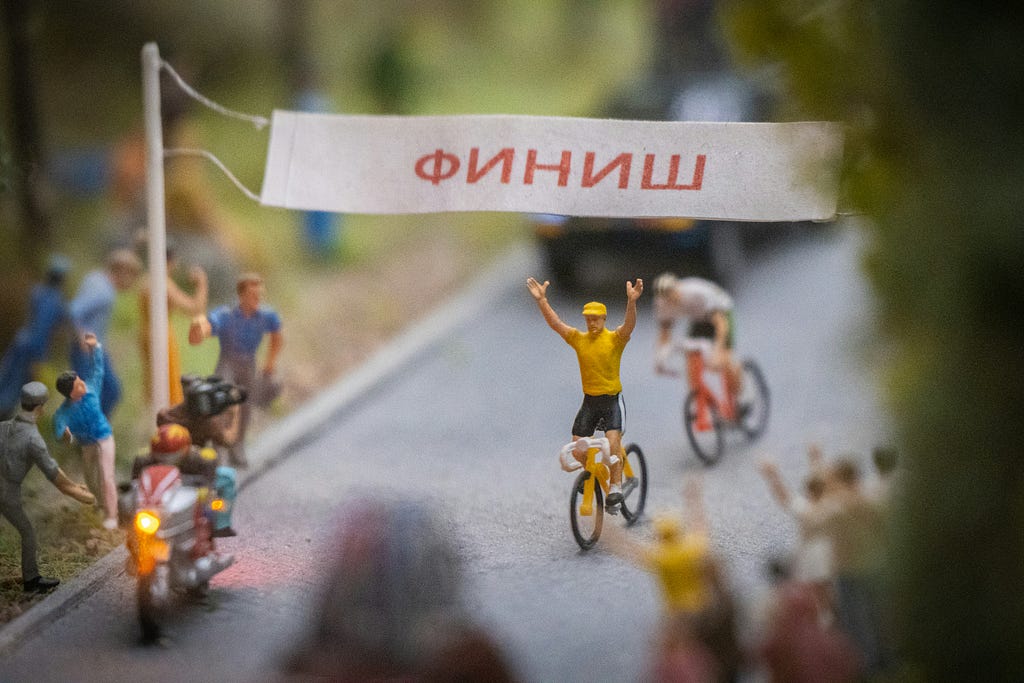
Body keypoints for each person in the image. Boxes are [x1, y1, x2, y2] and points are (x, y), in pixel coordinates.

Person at [526, 276, 642, 511]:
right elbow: (557, 324)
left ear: (604, 319)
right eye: (588, 319)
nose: (591, 323)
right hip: (589, 402)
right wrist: (542, 301)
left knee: (612, 444)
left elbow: (629, 326)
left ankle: (616, 486)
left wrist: (631, 302)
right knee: (577, 448)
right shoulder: (580, 340)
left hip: (611, 401)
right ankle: (592, 473)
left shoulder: (614, 339)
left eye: (595, 319)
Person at [1, 382, 95, 593]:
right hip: (8, 493)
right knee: (27, 532)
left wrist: (73, 484)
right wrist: (82, 495)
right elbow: (55, 476)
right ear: (40, 408)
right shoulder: (33, 439)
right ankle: (31, 580)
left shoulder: (5, 427)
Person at [189, 272, 283, 467]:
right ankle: (219, 447)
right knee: (223, 402)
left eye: (259, 295)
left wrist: (270, 363)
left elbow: (277, 336)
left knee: (246, 405)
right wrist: (201, 327)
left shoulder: (265, 316)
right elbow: (206, 328)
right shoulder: (227, 315)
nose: (257, 299)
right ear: (241, 295)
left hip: (249, 363)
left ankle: (238, 445)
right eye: (252, 295)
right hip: (228, 361)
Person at [53, 334, 118, 530]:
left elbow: (98, 369)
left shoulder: (92, 390)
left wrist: (96, 347)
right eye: (78, 385)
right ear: (70, 393)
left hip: (104, 438)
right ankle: (100, 501)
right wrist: (65, 434)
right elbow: (58, 427)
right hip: (87, 444)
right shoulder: (64, 411)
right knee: (91, 477)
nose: (83, 384)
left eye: (81, 381)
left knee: (107, 476)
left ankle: (112, 515)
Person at [652, 272, 743, 411]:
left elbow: (721, 325)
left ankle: (742, 398)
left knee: (722, 359)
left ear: (678, 289)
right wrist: (660, 358)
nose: (671, 300)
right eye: (667, 298)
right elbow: (665, 333)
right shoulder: (662, 303)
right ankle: (710, 404)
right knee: (692, 358)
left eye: (672, 295)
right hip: (698, 319)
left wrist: (718, 351)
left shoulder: (696, 294)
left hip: (720, 314)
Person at [68, 248, 143, 417]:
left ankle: (91, 431)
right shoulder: (104, 293)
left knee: (108, 390)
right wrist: (81, 337)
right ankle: (89, 433)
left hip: (96, 349)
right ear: (122, 272)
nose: (132, 283)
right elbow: (74, 311)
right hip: (86, 351)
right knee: (100, 393)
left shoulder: (96, 278)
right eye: (132, 276)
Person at [130, 423, 237, 538]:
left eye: (172, 457)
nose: (166, 461)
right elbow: (135, 485)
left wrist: (205, 492)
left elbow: (208, 484)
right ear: (153, 452)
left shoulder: (203, 459)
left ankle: (221, 525)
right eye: (160, 457)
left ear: (185, 449)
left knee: (227, 477)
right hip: (159, 496)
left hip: (191, 487)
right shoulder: (143, 460)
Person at [0, 255, 72, 417]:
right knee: (13, 389)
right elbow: (41, 329)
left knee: (4, 379)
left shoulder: (37, 291)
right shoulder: (54, 301)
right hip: (31, 349)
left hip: (20, 340)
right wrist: (37, 359)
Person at [138, 241, 208, 406]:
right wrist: (202, 283)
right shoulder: (163, 283)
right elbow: (195, 309)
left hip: (146, 333)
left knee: (153, 382)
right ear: (170, 261)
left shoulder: (146, 280)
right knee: (168, 384)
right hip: (161, 336)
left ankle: (155, 419)